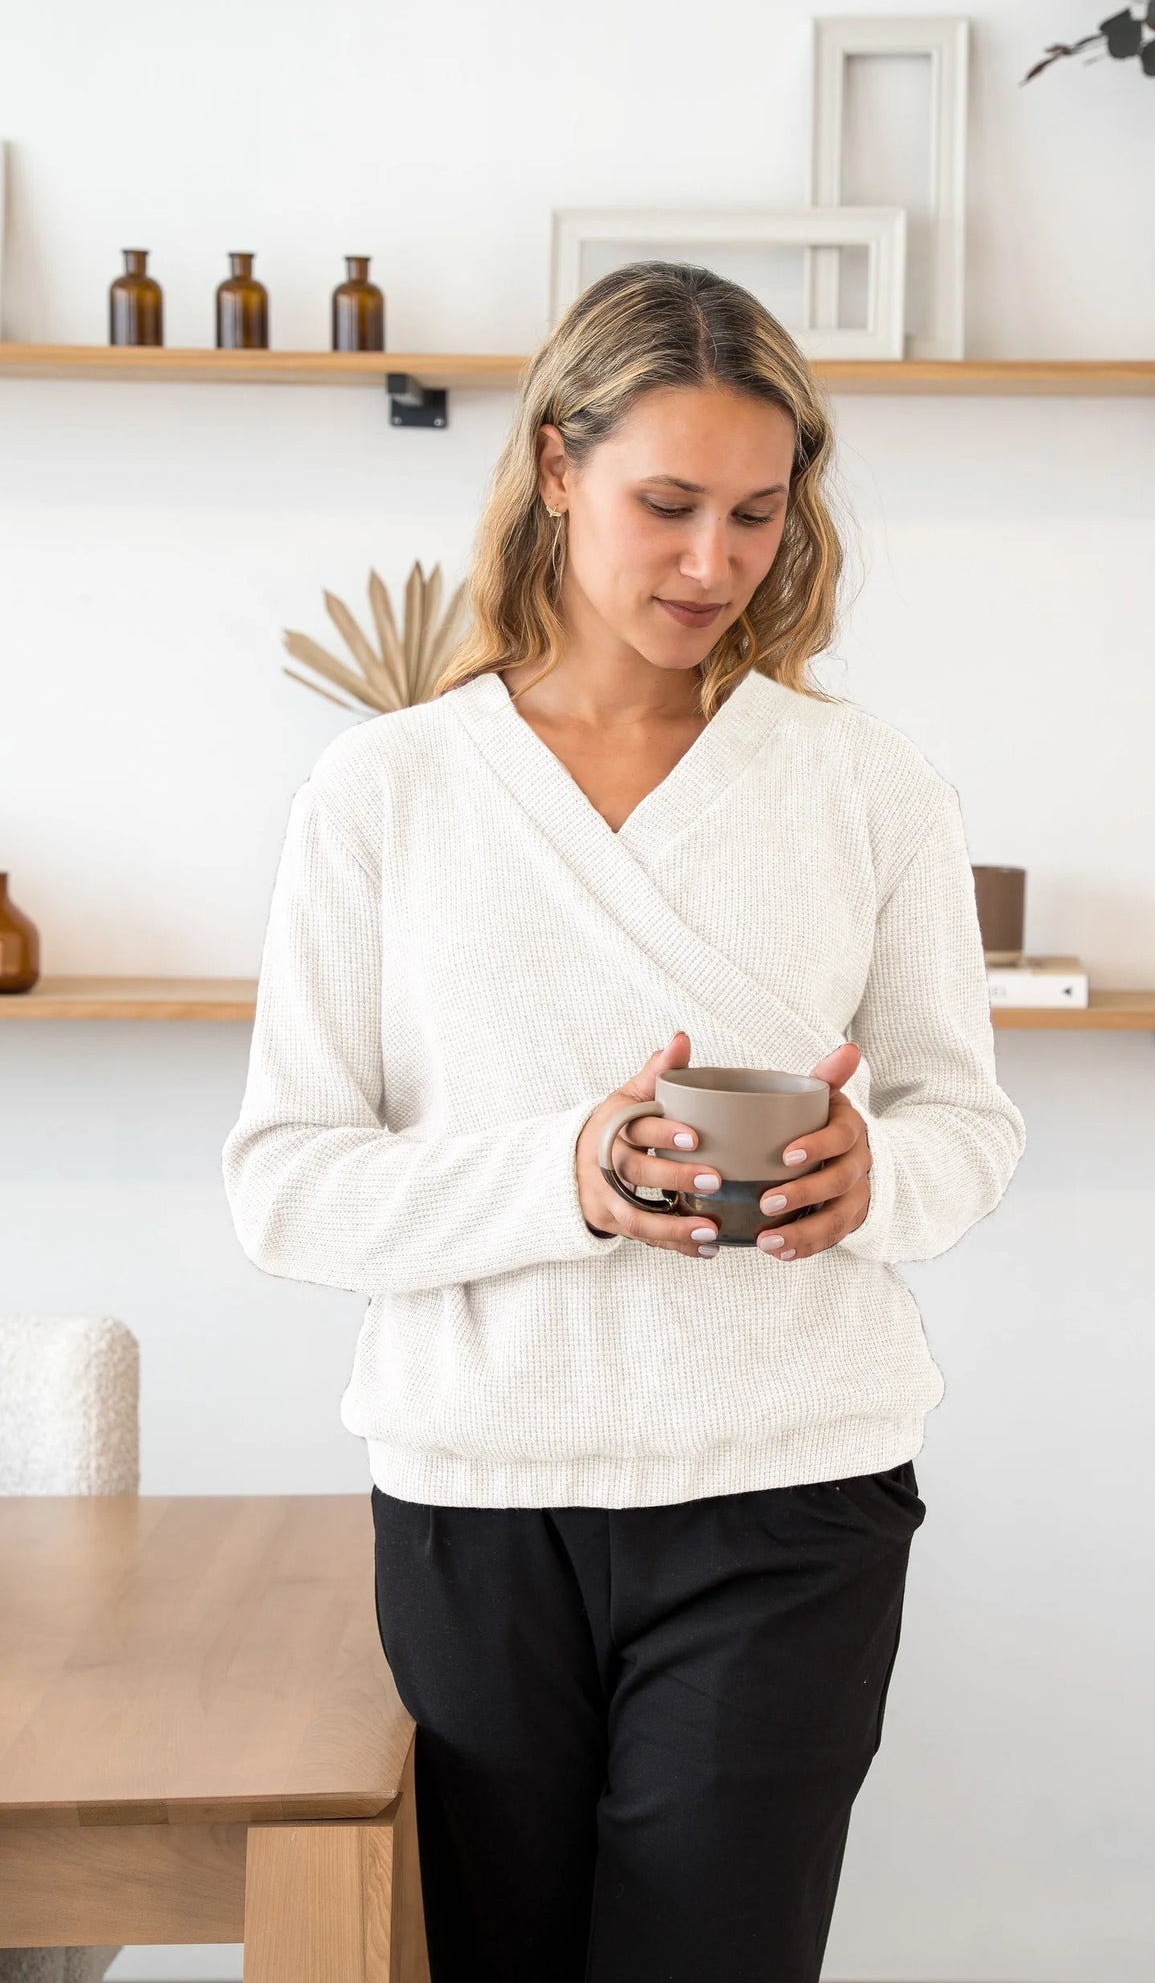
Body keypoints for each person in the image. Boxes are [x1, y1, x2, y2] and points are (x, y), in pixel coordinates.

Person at [220, 258, 1026, 1982]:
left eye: (754, 512)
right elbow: (284, 1188)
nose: (711, 563)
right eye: (666, 504)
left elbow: (967, 1121)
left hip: (789, 1492)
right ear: (559, 468)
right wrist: (566, 1176)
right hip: (478, 1500)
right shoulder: (389, 790)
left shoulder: (865, 785)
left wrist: (876, 1176)